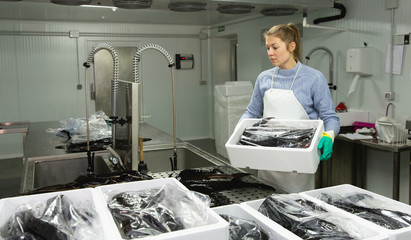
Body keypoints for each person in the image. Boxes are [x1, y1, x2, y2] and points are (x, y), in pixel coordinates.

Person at [239, 23, 340, 193]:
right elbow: (251, 112)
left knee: (297, 207)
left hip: (298, 162)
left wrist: (329, 136)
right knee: (266, 203)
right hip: (266, 158)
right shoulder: (264, 78)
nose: (270, 53)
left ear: (291, 46)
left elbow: (330, 117)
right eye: (267, 48)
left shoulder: (313, 78)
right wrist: (239, 129)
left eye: (275, 47)